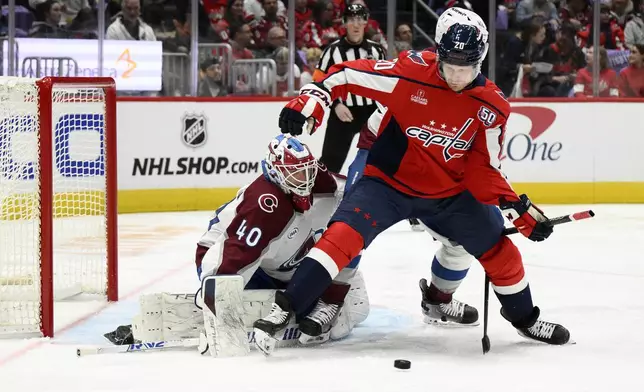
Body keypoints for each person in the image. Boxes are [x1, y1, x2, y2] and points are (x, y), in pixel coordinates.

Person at [253, 9, 571, 355]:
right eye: (450, 66)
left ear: (480, 60)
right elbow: (345, 74)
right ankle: (288, 306)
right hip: (388, 184)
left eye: (466, 68)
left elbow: (484, 169)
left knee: (501, 252)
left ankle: (524, 319)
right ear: (438, 56)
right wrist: (313, 98)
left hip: (450, 193)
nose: (457, 76)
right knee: (341, 235)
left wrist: (514, 205)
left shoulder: (492, 106)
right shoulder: (410, 72)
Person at [314, 3, 386, 174]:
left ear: (365, 22)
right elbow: (318, 81)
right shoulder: (331, 51)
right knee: (331, 161)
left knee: (380, 159)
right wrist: (336, 105)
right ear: (344, 23)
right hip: (343, 112)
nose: (356, 24)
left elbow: (385, 81)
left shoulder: (376, 50)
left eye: (360, 19)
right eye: (352, 19)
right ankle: (323, 195)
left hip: (371, 112)